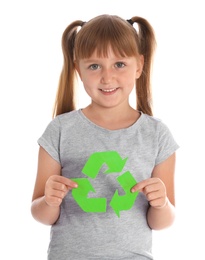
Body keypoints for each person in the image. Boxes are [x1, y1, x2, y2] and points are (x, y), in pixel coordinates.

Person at [31, 14, 179, 260]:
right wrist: (49, 200)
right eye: (94, 66)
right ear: (78, 69)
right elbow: (41, 214)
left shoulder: (157, 135)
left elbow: (161, 222)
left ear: (139, 65)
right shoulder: (59, 131)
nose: (107, 77)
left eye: (119, 64)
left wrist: (161, 204)